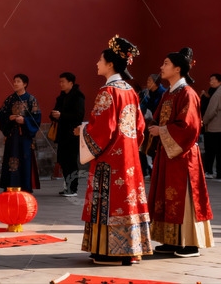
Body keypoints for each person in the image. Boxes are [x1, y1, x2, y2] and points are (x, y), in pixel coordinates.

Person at [75, 36, 152, 265]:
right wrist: (130, 148)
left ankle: (108, 251)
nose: (97, 63)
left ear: (110, 64)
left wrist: (83, 130)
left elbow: (103, 129)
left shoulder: (108, 91)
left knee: (108, 202)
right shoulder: (130, 90)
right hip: (129, 158)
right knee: (128, 201)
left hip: (109, 159)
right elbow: (140, 127)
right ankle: (130, 249)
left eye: (100, 60)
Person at [148, 48, 214, 258]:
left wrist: (161, 131)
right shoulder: (169, 93)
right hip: (168, 153)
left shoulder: (188, 94)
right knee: (167, 197)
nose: (162, 67)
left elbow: (189, 128)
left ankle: (190, 243)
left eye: (166, 63)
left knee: (184, 198)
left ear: (178, 69)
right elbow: (157, 118)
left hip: (183, 156)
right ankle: (171, 240)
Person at [0, 73, 42, 193]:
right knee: (10, 159)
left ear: (25, 84)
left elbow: (37, 118)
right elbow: (1, 114)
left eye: (18, 81)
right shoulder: (10, 99)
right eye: (14, 81)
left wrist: (25, 120)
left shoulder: (31, 99)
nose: (15, 84)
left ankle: (25, 187)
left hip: (25, 136)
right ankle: (10, 185)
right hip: (12, 135)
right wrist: (9, 118)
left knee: (25, 159)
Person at [51, 72, 85, 197]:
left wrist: (61, 115)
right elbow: (55, 111)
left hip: (72, 134)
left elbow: (79, 115)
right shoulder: (61, 96)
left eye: (63, 82)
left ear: (71, 83)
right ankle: (67, 186)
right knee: (63, 161)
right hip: (62, 134)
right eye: (60, 82)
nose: (60, 84)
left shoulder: (78, 96)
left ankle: (73, 188)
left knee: (71, 161)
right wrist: (53, 115)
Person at [201, 74, 221, 178]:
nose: (210, 81)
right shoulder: (213, 91)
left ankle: (210, 172)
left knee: (211, 150)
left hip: (214, 126)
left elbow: (211, 110)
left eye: (213, 79)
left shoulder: (218, 93)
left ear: (219, 81)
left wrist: (204, 121)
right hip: (217, 126)